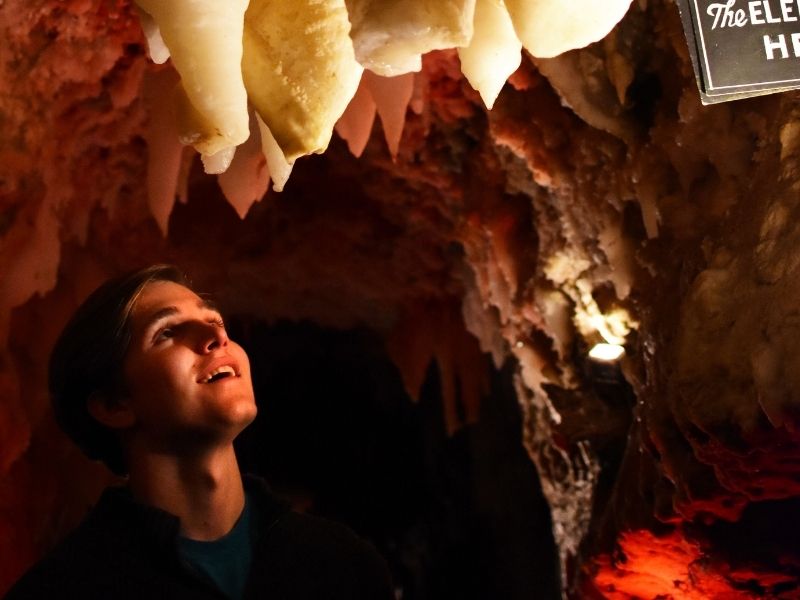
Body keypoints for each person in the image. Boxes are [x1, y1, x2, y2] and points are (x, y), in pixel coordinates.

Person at [5, 265, 394, 600]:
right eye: (167, 332)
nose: (217, 336)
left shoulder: (342, 565)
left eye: (215, 321)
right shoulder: (64, 592)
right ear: (113, 405)